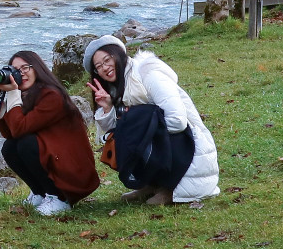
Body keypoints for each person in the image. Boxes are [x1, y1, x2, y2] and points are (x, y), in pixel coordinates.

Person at [84, 34, 218, 205]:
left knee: (140, 122)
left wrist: (143, 133)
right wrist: (108, 107)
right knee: (129, 131)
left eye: (107, 60)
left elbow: (177, 121)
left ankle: (170, 188)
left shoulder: (148, 74)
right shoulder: (119, 86)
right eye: (98, 66)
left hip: (189, 144)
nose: (105, 68)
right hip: (167, 139)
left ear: (118, 54)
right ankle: (151, 184)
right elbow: (119, 130)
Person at [0, 50, 99, 216]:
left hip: (73, 171)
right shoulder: (26, 95)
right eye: (15, 70)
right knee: (9, 147)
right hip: (56, 158)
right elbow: (10, 134)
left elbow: (20, 129)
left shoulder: (51, 95)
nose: (20, 74)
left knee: (27, 144)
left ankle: (59, 198)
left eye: (25, 68)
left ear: (37, 68)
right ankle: (40, 193)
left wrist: (12, 93)